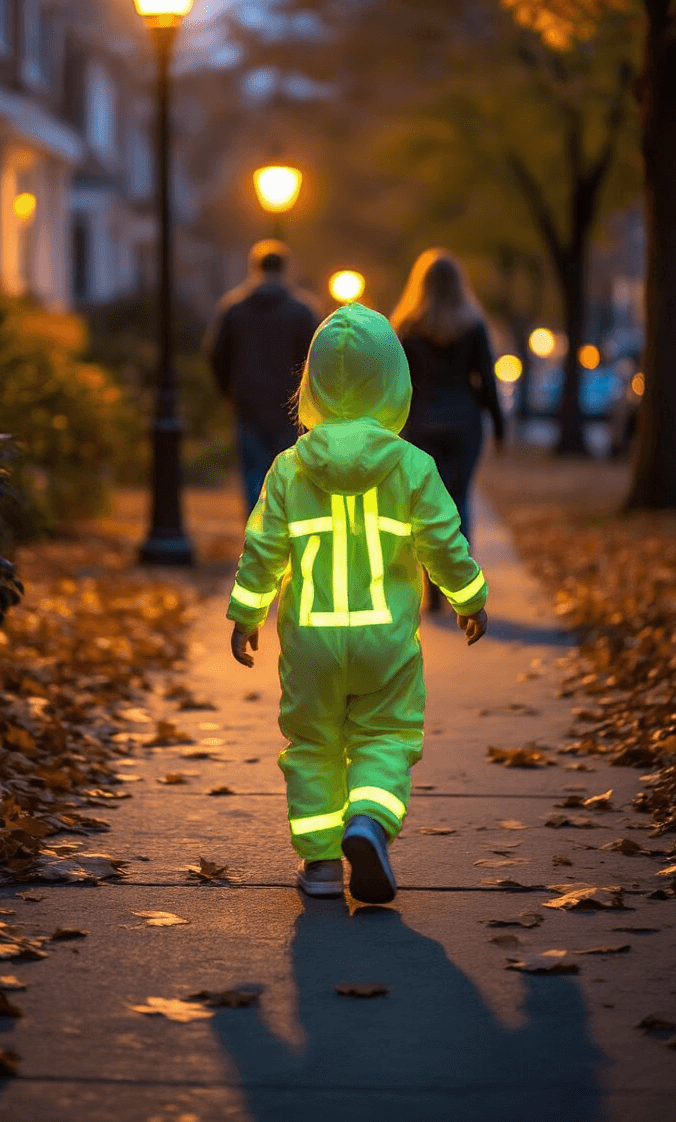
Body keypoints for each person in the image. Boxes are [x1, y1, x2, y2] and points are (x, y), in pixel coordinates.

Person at [226, 303, 488, 905]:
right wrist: (469, 597)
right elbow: (444, 541)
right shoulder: (413, 467)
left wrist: (247, 613)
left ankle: (319, 865)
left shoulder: (289, 469)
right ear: (396, 381)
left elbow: (262, 548)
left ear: (312, 383)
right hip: (386, 642)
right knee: (387, 736)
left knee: (313, 744)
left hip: (311, 642)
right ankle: (369, 820)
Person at [391, 249, 504, 554]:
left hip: (421, 423)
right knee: (459, 500)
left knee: (427, 504)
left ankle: (433, 585)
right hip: (465, 422)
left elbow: (400, 384)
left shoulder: (408, 328)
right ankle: (461, 582)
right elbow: (488, 382)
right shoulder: (473, 327)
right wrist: (499, 426)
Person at [206, 240, 319, 513]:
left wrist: (226, 392)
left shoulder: (234, 309)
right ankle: (285, 532)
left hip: (248, 402)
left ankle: (258, 535)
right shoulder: (302, 311)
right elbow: (316, 359)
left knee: (254, 473)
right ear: (286, 269)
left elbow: (215, 354)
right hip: (291, 407)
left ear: (254, 267)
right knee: (289, 473)